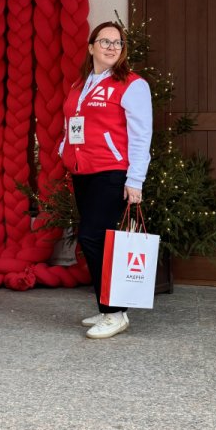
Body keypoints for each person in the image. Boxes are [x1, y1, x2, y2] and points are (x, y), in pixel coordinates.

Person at [60, 21, 153, 339]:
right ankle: (110, 308)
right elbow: (72, 122)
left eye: (118, 42)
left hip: (111, 171)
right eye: (105, 41)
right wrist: (64, 149)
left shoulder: (131, 84)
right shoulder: (81, 84)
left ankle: (114, 313)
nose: (112, 47)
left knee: (92, 237)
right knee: (96, 239)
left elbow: (141, 135)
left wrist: (135, 180)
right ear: (91, 47)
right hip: (82, 172)